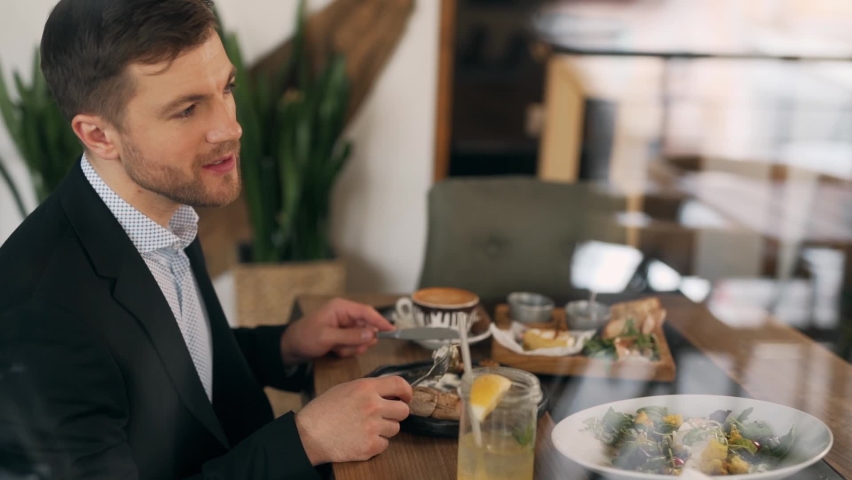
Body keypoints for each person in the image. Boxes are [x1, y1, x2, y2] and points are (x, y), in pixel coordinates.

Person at [0, 0, 413, 478]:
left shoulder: (164, 206)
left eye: (227, 88)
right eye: (187, 109)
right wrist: (307, 439)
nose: (230, 127)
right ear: (98, 135)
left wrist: (285, 346)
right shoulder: (36, 320)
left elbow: (171, 364)